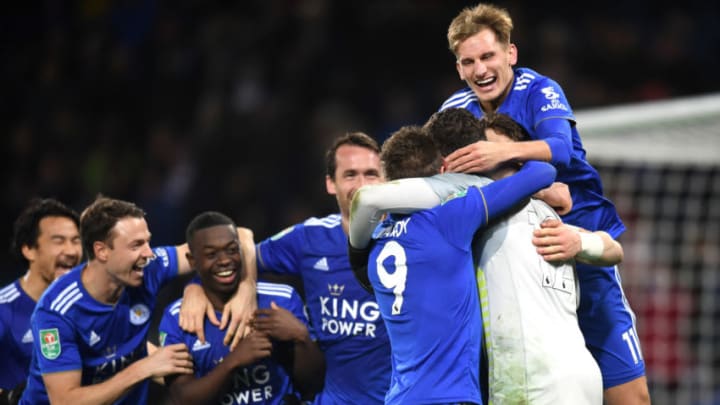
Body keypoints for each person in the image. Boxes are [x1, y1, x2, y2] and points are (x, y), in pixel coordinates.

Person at [439, 4, 649, 403]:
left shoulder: (539, 90)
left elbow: (560, 151)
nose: (480, 70)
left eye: (488, 56)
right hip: (508, 259)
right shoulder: (454, 112)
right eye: (469, 62)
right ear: (459, 69)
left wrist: (498, 156)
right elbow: (437, 176)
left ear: (510, 54)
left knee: (631, 396)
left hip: (580, 241)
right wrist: (536, 187)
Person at [350, 111, 615, 404]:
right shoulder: (454, 219)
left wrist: (355, 252)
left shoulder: (376, 248)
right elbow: (543, 172)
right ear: (444, 168)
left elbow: (368, 204)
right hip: (464, 394)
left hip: (401, 396)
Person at [253, 132, 392, 404]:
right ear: (331, 183)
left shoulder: (411, 237)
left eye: (371, 173)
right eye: (350, 175)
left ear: (385, 178)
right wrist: (197, 290)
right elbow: (240, 256)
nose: (362, 185)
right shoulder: (309, 238)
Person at [19, 196, 198, 405]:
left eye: (148, 241)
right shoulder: (57, 312)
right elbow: (65, 401)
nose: (149, 253)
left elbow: (229, 238)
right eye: (136, 245)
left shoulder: (148, 269)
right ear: (102, 251)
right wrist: (144, 368)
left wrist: (197, 289)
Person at [159, 211, 324, 405]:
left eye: (231, 250)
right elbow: (183, 398)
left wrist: (300, 336)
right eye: (211, 254)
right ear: (192, 261)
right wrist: (233, 362)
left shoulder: (282, 299)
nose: (224, 260)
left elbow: (314, 384)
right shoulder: (177, 319)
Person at [0, 199, 82, 403]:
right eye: (59, 241)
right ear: (29, 249)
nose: (71, 251)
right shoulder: (4, 309)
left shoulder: (87, 302)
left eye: (76, 240)